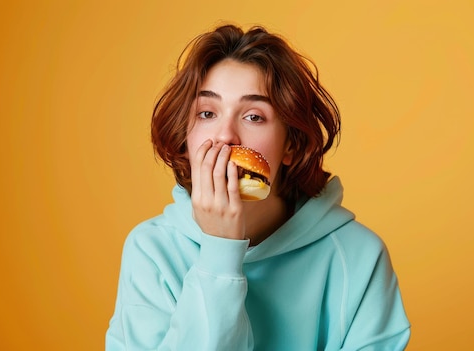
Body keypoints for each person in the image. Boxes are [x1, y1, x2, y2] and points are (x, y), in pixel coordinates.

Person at [106, 24, 410, 350]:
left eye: (253, 117)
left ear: (290, 146)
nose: (225, 136)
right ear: (185, 139)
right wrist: (219, 253)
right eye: (207, 112)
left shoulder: (359, 257)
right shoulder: (150, 251)